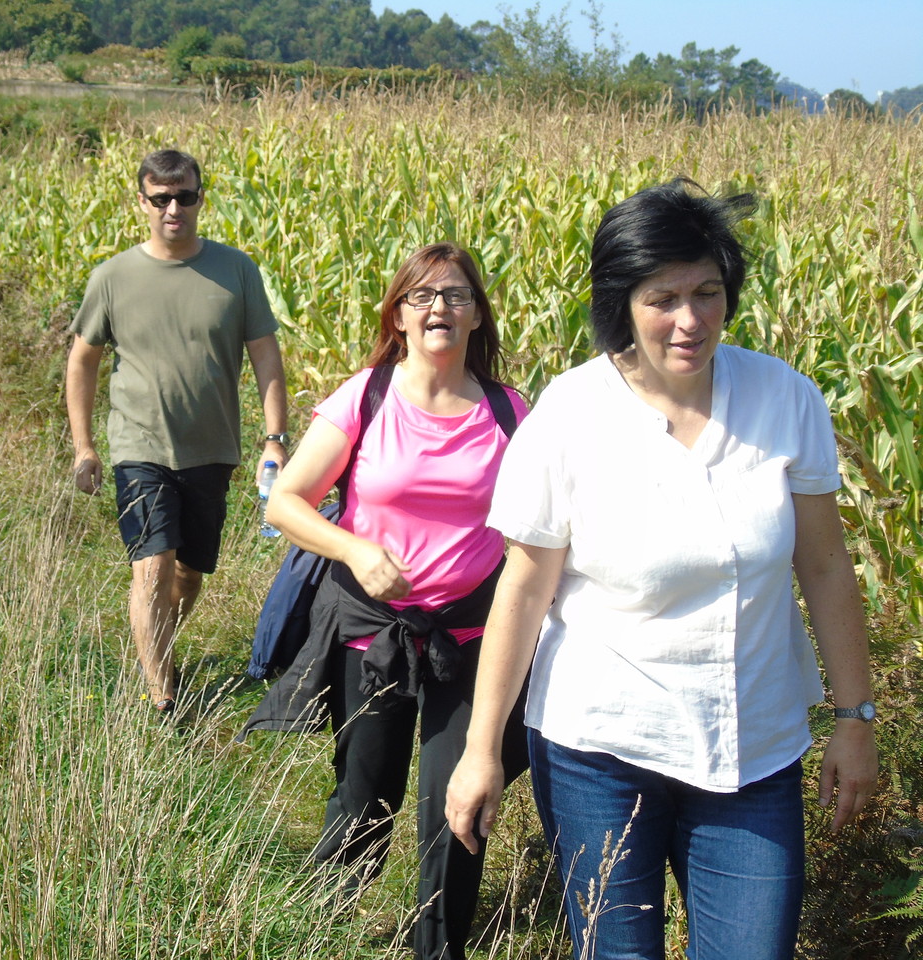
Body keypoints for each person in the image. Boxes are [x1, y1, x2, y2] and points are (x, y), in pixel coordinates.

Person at [445, 179, 878, 960]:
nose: (690, 320)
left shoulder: (785, 399)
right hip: (600, 748)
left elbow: (825, 567)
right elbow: (525, 588)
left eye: (707, 292)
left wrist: (856, 718)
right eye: (663, 299)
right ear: (623, 303)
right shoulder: (571, 414)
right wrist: (480, 750)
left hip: (755, 748)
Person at [243, 243, 528, 960]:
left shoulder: (508, 412)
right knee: (363, 801)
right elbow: (285, 501)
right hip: (372, 634)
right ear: (398, 315)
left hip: (470, 638)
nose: (439, 308)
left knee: (458, 808)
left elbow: (542, 529)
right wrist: (356, 551)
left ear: (477, 314)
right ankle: (316, 930)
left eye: (456, 295)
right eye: (421, 296)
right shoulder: (366, 397)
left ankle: (440, 947)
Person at [65, 149, 288, 714]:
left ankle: (158, 645)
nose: (173, 209)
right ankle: (162, 696)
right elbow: (82, 361)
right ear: (141, 202)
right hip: (139, 444)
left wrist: (275, 438)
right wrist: (85, 447)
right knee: (152, 564)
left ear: (199, 199)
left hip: (211, 449)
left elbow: (265, 356)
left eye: (184, 197)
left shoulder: (236, 271)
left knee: (188, 574)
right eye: (161, 199)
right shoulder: (112, 277)